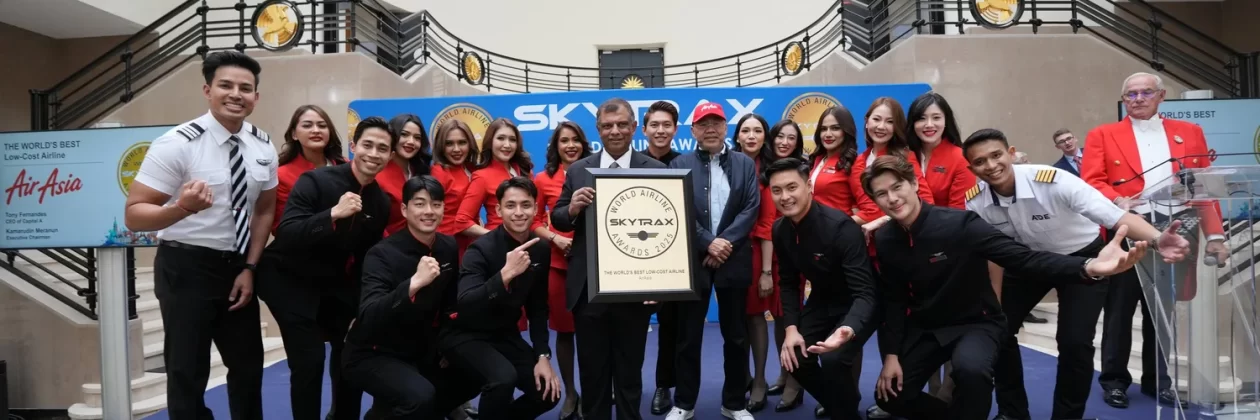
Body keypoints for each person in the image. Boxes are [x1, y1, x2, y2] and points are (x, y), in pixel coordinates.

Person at [861, 155, 1149, 419]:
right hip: (927, 328)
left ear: (913, 184)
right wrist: (891, 355)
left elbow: (1023, 259)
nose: (892, 198)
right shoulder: (885, 239)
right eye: (882, 194)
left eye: (897, 187)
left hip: (976, 323)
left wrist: (1087, 266)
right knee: (890, 397)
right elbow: (894, 300)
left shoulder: (961, 224)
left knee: (972, 371)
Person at [961, 128, 1189, 420]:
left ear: (1011, 153)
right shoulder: (976, 200)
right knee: (998, 331)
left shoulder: (1053, 181)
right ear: (972, 169)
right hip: (1029, 262)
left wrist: (1157, 239)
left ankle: (1067, 416)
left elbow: (1116, 216)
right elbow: (993, 253)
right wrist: (995, 301)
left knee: (1074, 342)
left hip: (1084, 259)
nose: (991, 166)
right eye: (980, 162)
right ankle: (1012, 412)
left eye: (996, 155)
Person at [123, 50, 273, 420]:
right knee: (187, 371)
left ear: (256, 97)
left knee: (248, 367)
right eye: (226, 85)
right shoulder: (177, 143)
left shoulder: (262, 145)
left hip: (237, 268)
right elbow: (134, 215)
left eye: (245, 88)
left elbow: (264, 210)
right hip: (186, 267)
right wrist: (183, 207)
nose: (235, 94)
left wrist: (249, 267)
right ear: (208, 90)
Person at [1081, 71, 1229, 409]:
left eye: (1146, 92)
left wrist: (1216, 236)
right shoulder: (1102, 134)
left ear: (1161, 96)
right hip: (1129, 226)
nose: (1138, 99)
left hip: (1177, 225)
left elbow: (1204, 187)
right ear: (1124, 100)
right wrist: (1116, 200)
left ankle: (1158, 381)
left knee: (1163, 312)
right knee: (1120, 308)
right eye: (1131, 94)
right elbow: (1091, 181)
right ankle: (1114, 381)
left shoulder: (1190, 132)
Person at [263, 115, 396, 419]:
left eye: (382, 149)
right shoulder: (316, 181)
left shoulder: (380, 202)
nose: (374, 154)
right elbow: (288, 232)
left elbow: (364, 259)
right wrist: (332, 214)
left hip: (331, 282)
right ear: (353, 146)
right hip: (286, 279)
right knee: (309, 360)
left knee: (351, 351)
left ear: (390, 156)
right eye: (368, 145)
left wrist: (362, 308)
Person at [550, 97, 665, 420]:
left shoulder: (656, 170)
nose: (615, 131)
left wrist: (660, 283)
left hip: (635, 288)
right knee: (593, 373)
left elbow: (668, 229)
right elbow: (558, 218)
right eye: (607, 126)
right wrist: (573, 208)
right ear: (598, 129)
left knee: (629, 372)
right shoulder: (578, 169)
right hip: (590, 288)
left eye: (621, 124)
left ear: (634, 127)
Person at [341, 176, 481, 419]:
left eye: (436, 204)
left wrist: (448, 346)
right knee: (419, 397)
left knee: (477, 371)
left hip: (419, 348)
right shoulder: (381, 254)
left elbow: (450, 306)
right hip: (372, 352)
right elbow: (369, 315)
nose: (429, 211)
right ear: (405, 210)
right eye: (420, 204)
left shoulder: (447, 246)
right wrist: (414, 284)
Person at [666, 102, 762, 420]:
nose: (710, 129)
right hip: (693, 261)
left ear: (725, 128)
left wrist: (723, 244)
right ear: (693, 130)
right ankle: (684, 403)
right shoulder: (679, 164)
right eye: (703, 124)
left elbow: (750, 208)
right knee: (688, 337)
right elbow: (676, 209)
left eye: (716, 123)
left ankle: (734, 403)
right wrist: (708, 242)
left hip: (734, 258)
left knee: (736, 336)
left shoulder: (745, 164)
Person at [764, 158, 878, 420]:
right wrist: (791, 329)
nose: (785, 197)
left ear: (809, 187)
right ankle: (842, 407)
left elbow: (865, 292)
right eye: (777, 190)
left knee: (833, 359)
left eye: (792, 187)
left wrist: (847, 327)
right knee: (793, 355)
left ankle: (844, 409)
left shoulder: (840, 227)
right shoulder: (780, 229)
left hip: (860, 301)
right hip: (822, 298)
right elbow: (789, 282)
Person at [440, 177, 561, 419]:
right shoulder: (480, 249)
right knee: (503, 378)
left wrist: (542, 356)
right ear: (498, 210)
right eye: (510, 205)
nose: (519, 212)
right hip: (465, 334)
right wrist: (505, 275)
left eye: (526, 205)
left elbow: (538, 308)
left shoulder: (540, 249)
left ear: (536, 209)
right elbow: (466, 303)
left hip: (504, 334)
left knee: (548, 393)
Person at [641, 100, 683, 416]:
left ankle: (664, 386)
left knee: (672, 326)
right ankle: (624, 384)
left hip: (674, 256)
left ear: (675, 129)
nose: (660, 130)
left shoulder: (685, 163)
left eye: (666, 125)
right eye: (654, 125)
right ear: (644, 129)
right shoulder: (631, 163)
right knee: (631, 328)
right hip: (636, 256)